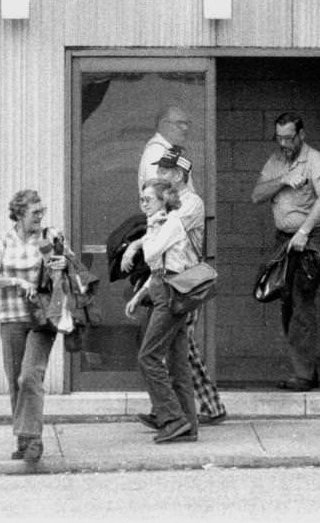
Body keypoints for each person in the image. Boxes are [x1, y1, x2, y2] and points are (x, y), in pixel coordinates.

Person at [0, 190, 69, 465]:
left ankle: (33, 440)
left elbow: (70, 266)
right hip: (11, 317)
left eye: (42, 211)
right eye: (35, 212)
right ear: (19, 214)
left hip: (43, 318)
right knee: (15, 381)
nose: (40, 217)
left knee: (30, 376)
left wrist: (64, 263)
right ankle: (24, 441)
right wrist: (17, 283)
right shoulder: (1, 242)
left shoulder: (50, 237)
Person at [251, 113, 320, 391]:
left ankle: (304, 375)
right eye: (280, 137)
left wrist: (304, 231)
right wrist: (284, 180)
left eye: (289, 138)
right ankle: (306, 369)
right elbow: (257, 195)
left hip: (310, 238)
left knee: (301, 301)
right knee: (287, 301)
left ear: (302, 135)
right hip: (284, 240)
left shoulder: (314, 160)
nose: (284, 143)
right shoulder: (277, 160)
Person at [148, 150, 226, 426]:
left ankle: (173, 412)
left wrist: (139, 243)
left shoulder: (190, 203)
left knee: (178, 347)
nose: (159, 176)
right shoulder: (176, 202)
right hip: (174, 281)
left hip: (185, 284)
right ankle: (204, 406)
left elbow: (167, 233)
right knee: (181, 346)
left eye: (165, 172)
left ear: (179, 175)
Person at [125, 180, 199, 444]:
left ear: (164, 200)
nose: (143, 204)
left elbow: (151, 254)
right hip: (164, 289)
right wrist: (140, 294)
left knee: (149, 357)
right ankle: (188, 425)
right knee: (179, 364)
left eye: (149, 199)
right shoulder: (162, 225)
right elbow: (159, 266)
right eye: (141, 199)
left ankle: (171, 418)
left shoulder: (170, 223)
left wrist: (143, 239)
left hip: (170, 295)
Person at [137, 106, 193, 193]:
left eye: (187, 123)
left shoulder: (169, 150)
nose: (185, 128)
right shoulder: (156, 152)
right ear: (163, 124)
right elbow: (157, 194)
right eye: (179, 123)